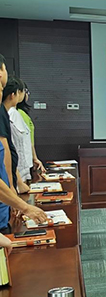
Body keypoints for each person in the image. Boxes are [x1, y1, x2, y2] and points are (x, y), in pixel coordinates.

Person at [0, 55, 47, 231]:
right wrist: (14, 186)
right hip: (10, 180)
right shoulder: (9, 114)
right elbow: (6, 149)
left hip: (15, 176)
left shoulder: (11, 113)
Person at [4, 77, 33, 183]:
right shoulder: (12, 114)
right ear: (13, 94)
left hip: (21, 168)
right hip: (17, 169)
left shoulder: (15, 113)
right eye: (22, 91)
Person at [16, 82, 45, 174]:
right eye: (26, 91)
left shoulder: (17, 112)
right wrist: (35, 158)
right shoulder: (19, 113)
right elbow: (28, 140)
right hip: (23, 161)